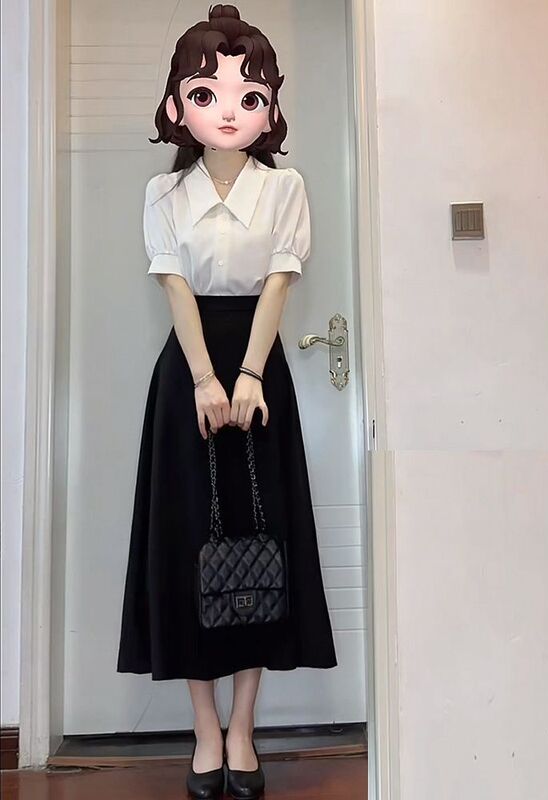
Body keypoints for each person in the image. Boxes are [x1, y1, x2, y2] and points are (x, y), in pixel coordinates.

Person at [115, 5, 337, 800]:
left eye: (251, 96)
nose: (230, 112)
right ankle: (204, 730)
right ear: (177, 105)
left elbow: (279, 282)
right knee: (189, 543)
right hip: (189, 373)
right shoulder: (163, 192)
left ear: (271, 107)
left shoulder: (285, 188)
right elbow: (175, 287)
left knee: (258, 541)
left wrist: (248, 376)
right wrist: (207, 380)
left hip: (258, 369)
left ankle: (243, 729)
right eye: (206, 94)